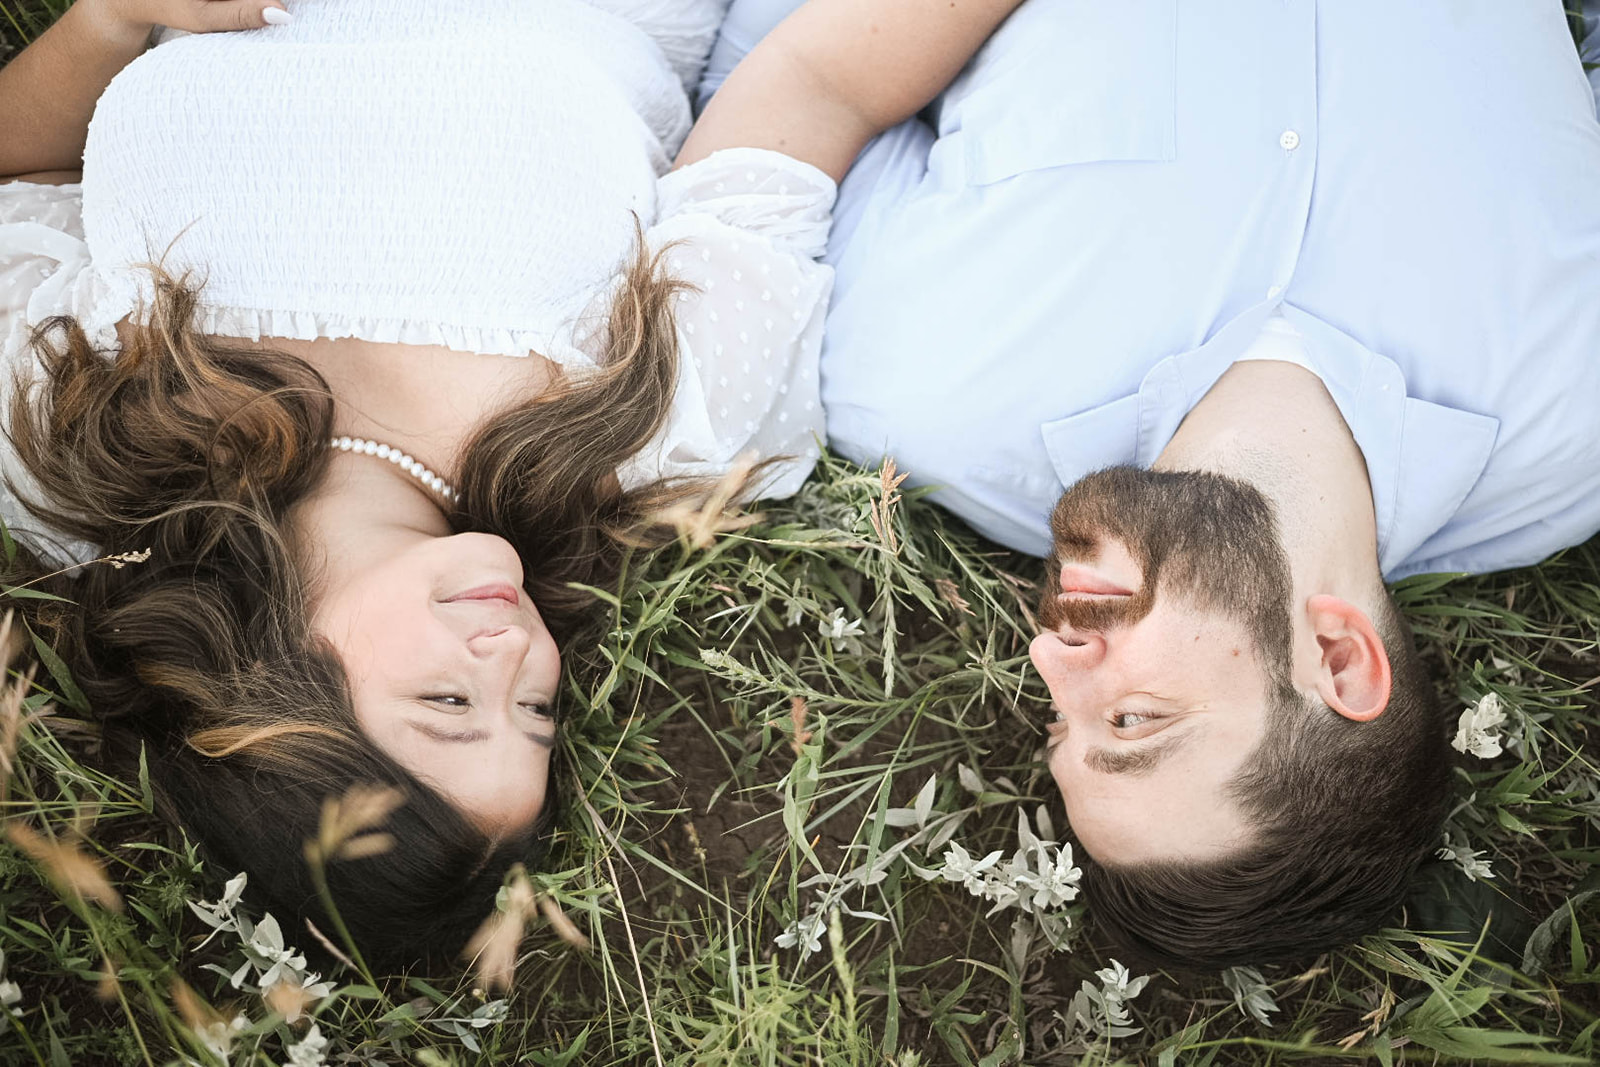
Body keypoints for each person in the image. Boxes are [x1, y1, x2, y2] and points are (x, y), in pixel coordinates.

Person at [0, 0, 1025, 967]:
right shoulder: (659, 431)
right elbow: (815, 85)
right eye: (535, 708)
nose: (513, 656)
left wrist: (107, 20)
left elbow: (22, 167)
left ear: (277, 692)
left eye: (449, 698)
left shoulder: (83, 443)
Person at [707, 0, 1600, 969]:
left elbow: (797, 87)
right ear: (1337, 658)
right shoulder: (1574, 416)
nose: (1048, 660)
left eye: (1061, 719)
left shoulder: (929, 388)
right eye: (1131, 719)